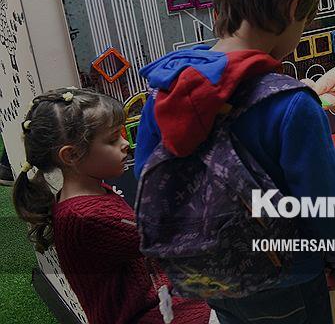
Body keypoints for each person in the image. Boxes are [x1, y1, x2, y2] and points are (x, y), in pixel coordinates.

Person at [135, 0, 335, 324]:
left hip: (206, 272)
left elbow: (147, 177)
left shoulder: (166, 88)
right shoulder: (292, 105)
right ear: (292, 9)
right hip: (286, 277)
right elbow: (324, 204)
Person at [12, 88, 211, 323]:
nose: (125, 144)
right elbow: (167, 238)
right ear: (71, 155)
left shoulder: (89, 195)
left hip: (156, 299)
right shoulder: (86, 217)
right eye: (112, 139)